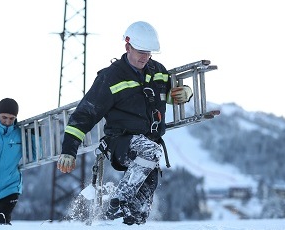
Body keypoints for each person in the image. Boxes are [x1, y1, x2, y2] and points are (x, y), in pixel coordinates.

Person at [57, 21, 193, 225]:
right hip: (121, 142)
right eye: (140, 51)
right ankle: (118, 201)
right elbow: (85, 114)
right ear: (127, 46)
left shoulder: (158, 71)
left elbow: (167, 95)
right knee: (151, 152)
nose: (145, 56)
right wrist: (69, 150)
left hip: (149, 144)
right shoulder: (111, 77)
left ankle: (111, 219)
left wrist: (186, 94)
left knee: (138, 215)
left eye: (148, 52)